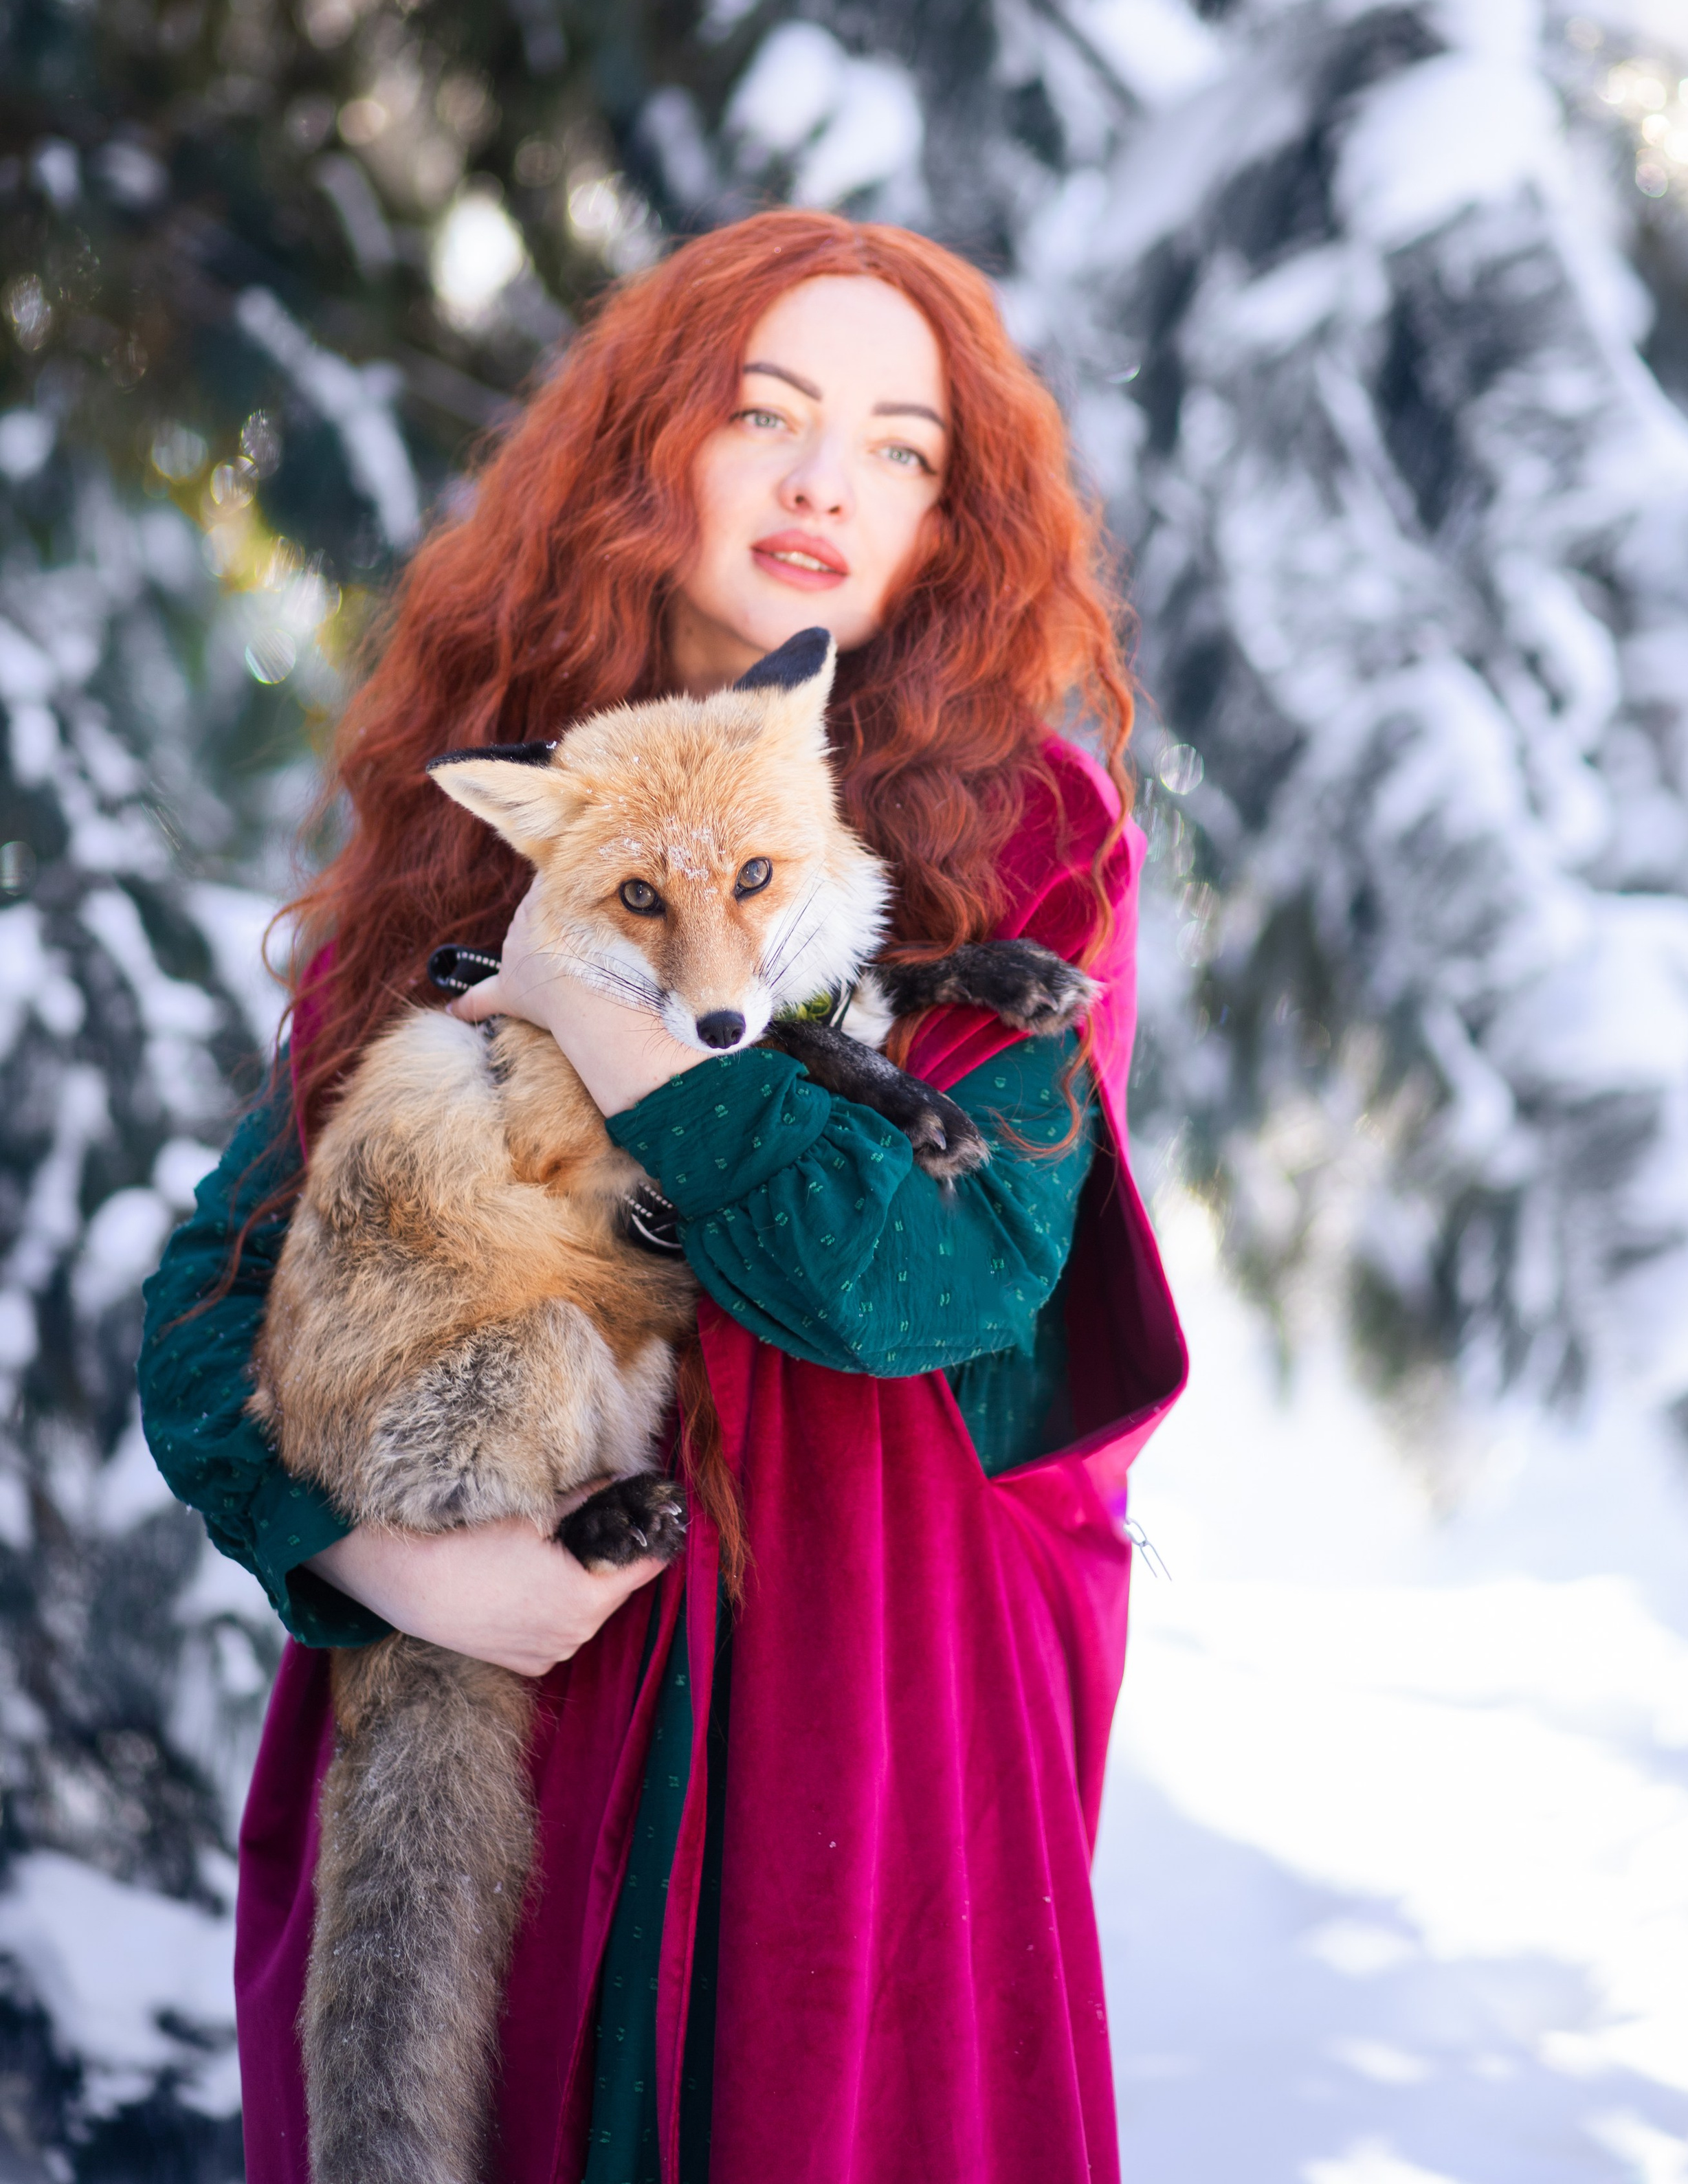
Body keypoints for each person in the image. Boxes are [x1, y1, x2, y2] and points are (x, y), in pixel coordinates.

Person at [139, 210, 1186, 2184]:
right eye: (767, 413)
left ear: (953, 516)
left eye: (902, 447)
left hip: (857, 1725)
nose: (824, 481)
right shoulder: (489, 813)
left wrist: (609, 1013)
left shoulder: (1022, 833)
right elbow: (216, 1295)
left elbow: (916, 1276)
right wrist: (376, 1562)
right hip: (515, 1705)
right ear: (654, 451)